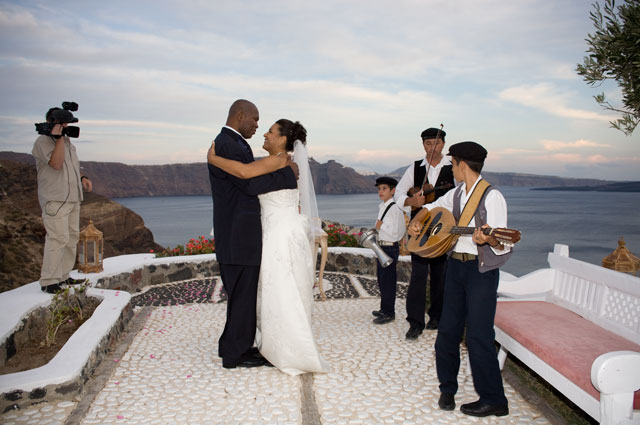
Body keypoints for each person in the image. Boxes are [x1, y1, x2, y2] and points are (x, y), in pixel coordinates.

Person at [208, 111, 327, 375]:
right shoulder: (279, 162)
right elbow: (248, 177)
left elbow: (248, 181)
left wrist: (215, 159)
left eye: (271, 131)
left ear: (284, 139)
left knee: (281, 291)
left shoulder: (282, 163)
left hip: (280, 234)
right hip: (272, 232)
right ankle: (257, 345)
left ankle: (282, 347)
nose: (264, 132)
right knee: (269, 292)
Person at [408, 141, 511, 418]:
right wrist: (418, 219)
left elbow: (502, 243)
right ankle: (447, 389)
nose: (451, 168)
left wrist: (486, 239)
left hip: (480, 272)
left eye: (452, 164)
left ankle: (493, 399)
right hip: (454, 268)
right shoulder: (456, 194)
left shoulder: (491, 197)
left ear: (461, 165)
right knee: (447, 332)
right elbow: (431, 208)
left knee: (478, 335)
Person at [395, 127, 454, 339]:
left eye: (436, 144)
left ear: (443, 144)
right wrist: (412, 201)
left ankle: (436, 317)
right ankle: (415, 323)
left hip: (443, 229)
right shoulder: (415, 168)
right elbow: (398, 194)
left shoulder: (452, 166)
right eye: (428, 144)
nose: (432, 148)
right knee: (418, 277)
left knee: (441, 275)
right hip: (419, 228)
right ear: (423, 145)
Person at [32, 106, 93, 294]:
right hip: (55, 199)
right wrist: (57, 139)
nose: (66, 127)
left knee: (71, 238)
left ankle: (64, 276)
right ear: (52, 122)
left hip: (72, 198)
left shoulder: (67, 142)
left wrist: (82, 178)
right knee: (57, 239)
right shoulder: (43, 142)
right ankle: (49, 280)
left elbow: (71, 166)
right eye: (63, 123)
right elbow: (56, 164)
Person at [371, 176, 406, 325]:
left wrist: (381, 226)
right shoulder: (383, 207)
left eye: (384, 188)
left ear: (393, 191)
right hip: (382, 246)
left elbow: (399, 231)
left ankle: (389, 313)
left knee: (388, 281)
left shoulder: (395, 209)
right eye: (379, 189)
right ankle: (384, 309)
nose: (381, 191)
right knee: (382, 280)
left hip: (390, 247)